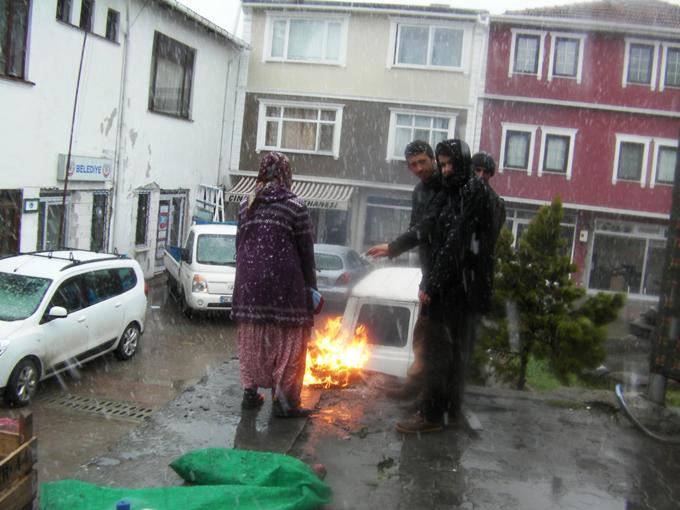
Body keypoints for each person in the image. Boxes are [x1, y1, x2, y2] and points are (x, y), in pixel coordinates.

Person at [396, 139, 493, 434]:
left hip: (459, 286)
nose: (447, 169)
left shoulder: (471, 193)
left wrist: (434, 283)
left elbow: (457, 243)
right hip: (443, 281)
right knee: (432, 344)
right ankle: (432, 402)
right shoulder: (444, 192)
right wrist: (394, 248)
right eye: (444, 164)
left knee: (443, 351)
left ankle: (434, 412)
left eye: (450, 163)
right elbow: (424, 229)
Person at [232, 152, 317, 418]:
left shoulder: (247, 204)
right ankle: (283, 402)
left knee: (252, 339)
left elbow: (240, 245)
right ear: (286, 174)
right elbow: (306, 252)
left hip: (249, 287)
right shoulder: (295, 205)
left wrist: (249, 275)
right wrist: (310, 289)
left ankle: (249, 394)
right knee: (289, 343)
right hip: (285, 286)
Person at [366, 140, 441, 399]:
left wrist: (394, 247)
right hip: (430, 270)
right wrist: (397, 249)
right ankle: (415, 388)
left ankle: (428, 397)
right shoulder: (419, 191)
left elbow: (429, 227)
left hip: (446, 271)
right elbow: (416, 228)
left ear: (432, 159)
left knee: (435, 336)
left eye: (422, 162)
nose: (418, 168)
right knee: (423, 331)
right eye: (412, 165)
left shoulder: (445, 187)